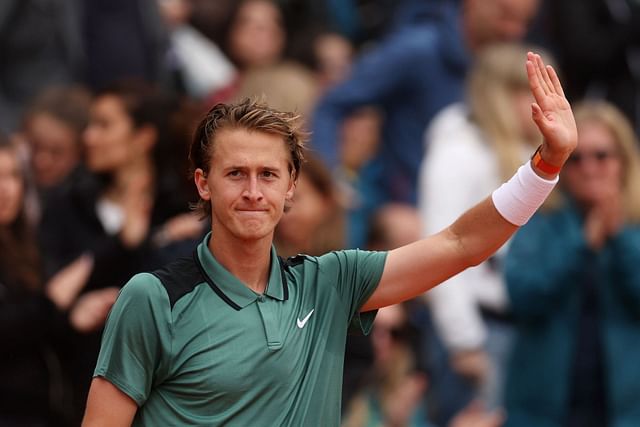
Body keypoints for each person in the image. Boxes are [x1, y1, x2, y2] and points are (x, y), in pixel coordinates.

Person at [82, 53, 577, 426]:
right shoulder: (152, 298)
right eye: (235, 174)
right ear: (203, 183)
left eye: (268, 175)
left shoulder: (332, 282)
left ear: (291, 186)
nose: (253, 192)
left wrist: (546, 165)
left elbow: (461, 244)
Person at [311, 0, 540, 245]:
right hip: (408, 215)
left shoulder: (503, 62)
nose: (514, 30)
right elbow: (332, 105)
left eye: (524, 22)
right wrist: (334, 184)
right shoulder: (417, 49)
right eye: (505, 15)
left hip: (473, 211)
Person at [419, 43, 552, 409]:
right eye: (529, 89)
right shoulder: (458, 151)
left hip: (521, 327)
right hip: (479, 327)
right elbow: (438, 245)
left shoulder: (518, 150)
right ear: (499, 94)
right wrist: (464, 341)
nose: (541, 100)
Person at [503, 100, 640, 427]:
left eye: (602, 156)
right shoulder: (538, 219)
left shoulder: (634, 225)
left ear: (623, 160)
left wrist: (618, 237)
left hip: (624, 409)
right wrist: (581, 244)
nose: (589, 168)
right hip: (542, 409)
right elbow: (522, 295)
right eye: (576, 159)